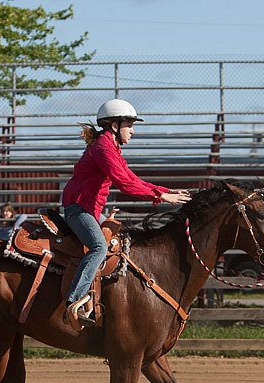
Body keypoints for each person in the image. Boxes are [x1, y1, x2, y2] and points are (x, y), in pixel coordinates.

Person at [61, 98, 192, 331]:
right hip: (79, 209)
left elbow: (132, 179)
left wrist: (165, 191)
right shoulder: (103, 147)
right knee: (99, 247)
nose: (133, 130)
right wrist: (161, 198)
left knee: (117, 243)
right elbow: (124, 184)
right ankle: (74, 301)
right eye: (129, 125)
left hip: (90, 209)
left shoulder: (111, 147)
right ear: (114, 125)